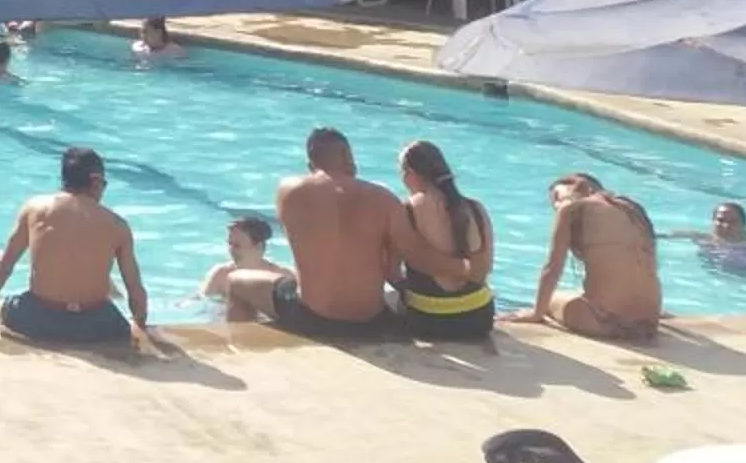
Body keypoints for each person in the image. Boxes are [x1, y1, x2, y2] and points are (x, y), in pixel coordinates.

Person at [226, 127, 469, 342]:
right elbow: (418, 256)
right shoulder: (384, 199)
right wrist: (466, 268)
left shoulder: (289, 191)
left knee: (236, 281)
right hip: (371, 322)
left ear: (312, 166)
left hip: (312, 317)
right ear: (347, 157)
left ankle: (239, 353)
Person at [0, 146, 151, 349]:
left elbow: (1, 268)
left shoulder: (36, 209)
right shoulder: (117, 225)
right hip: (96, 327)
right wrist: (140, 325)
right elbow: (135, 289)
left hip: (39, 321)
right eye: (104, 184)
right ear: (95, 181)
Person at [513, 172, 664, 341]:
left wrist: (536, 314)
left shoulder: (570, 209)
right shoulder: (632, 208)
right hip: (650, 322)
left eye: (556, 198)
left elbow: (552, 268)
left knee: (552, 299)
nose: (555, 205)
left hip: (605, 323)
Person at [394, 141, 495, 340]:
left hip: (428, 320)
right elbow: (483, 269)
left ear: (410, 172)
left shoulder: (406, 210)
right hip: (479, 317)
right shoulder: (476, 208)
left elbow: (391, 269)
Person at [201, 215, 287, 320]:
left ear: (258, 247)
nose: (231, 250)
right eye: (229, 244)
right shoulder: (220, 274)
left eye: (237, 246)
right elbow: (202, 303)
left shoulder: (282, 277)